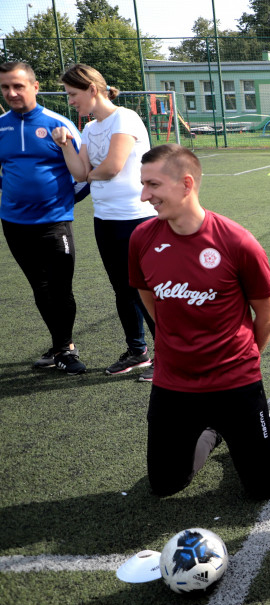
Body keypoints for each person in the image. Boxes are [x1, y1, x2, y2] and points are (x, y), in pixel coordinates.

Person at [128, 144, 270, 500]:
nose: (144, 195)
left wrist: (242, 357)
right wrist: (175, 342)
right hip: (173, 383)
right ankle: (214, 430)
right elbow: (147, 295)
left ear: (186, 184)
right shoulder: (142, 239)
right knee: (165, 484)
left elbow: (269, 313)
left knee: (263, 488)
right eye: (143, 184)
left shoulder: (236, 242)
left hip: (235, 383)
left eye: (153, 185)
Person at [53, 63, 158, 378]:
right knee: (122, 289)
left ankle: (169, 358)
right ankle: (137, 351)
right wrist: (65, 145)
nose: (71, 101)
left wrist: (90, 174)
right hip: (105, 218)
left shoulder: (124, 118)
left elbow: (110, 167)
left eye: (73, 94)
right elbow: (79, 172)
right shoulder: (88, 129)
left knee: (147, 290)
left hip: (137, 218)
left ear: (91, 89)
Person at [0, 61, 86, 375]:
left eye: (18, 86)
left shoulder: (57, 123)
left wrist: (60, 203)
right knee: (41, 288)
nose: (11, 92)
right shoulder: (0, 127)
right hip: (13, 223)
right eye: (5, 87)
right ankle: (60, 347)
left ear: (35, 87)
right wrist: (14, 193)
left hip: (54, 222)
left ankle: (66, 349)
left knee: (61, 288)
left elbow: (83, 175)